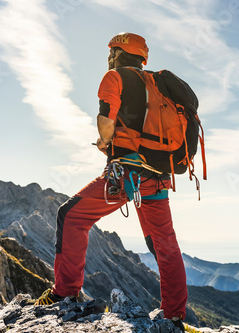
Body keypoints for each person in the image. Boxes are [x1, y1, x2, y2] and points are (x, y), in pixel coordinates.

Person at [36, 32, 187, 331]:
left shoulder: (114, 77)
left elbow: (106, 122)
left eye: (111, 52)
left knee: (72, 216)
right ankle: (174, 314)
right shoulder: (156, 85)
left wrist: (105, 142)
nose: (108, 58)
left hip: (125, 174)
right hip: (157, 177)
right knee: (164, 244)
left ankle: (64, 293)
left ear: (119, 53)